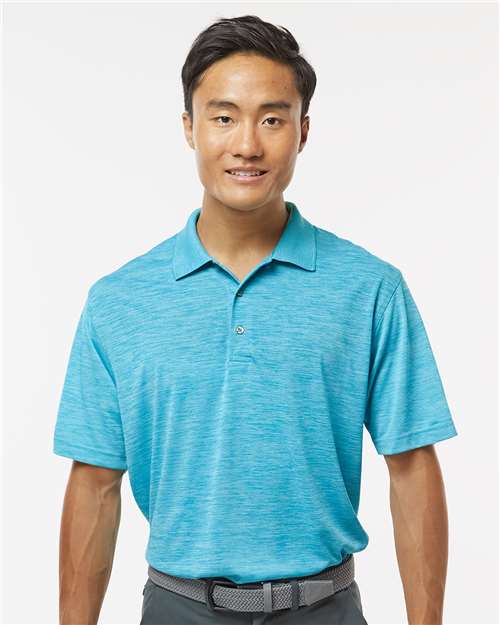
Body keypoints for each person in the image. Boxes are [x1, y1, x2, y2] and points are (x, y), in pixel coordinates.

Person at [53, 14, 459, 625]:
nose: (247, 144)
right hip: (176, 608)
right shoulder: (119, 301)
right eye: (223, 117)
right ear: (189, 128)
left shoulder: (370, 289)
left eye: (272, 118)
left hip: (324, 608)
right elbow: (94, 483)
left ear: (303, 132)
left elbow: (411, 468)